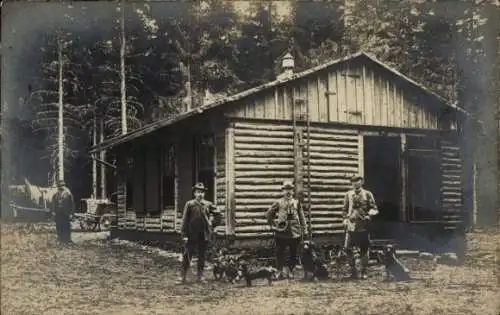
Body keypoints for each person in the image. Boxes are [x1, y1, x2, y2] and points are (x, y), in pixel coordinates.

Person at [178, 182, 221, 284]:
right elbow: (185, 220)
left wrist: (212, 223)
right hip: (192, 234)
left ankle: (200, 276)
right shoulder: (190, 204)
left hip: (203, 234)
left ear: (204, 194)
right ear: (194, 193)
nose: (200, 194)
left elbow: (219, 215)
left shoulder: (208, 204)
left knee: (202, 255)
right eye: (198, 192)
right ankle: (182, 277)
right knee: (187, 255)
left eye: (202, 192)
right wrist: (184, 234)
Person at [266, 180, 307, 280]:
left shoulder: (296, 203)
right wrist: (272, 225)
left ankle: (291, 271)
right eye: (286, 189)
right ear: (282, 191)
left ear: (293, 191)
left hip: (294, 232)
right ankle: (279, 272)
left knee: (293, 253)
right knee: (280, 252)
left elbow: (302, 217)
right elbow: (269, 214)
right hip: (281, 232)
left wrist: (304, 229)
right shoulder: (278, 202)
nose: (288, 192)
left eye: (290, 189)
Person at [342, 175, 379, 280]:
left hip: (363, 225)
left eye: (357, 181)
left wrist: (369, 215)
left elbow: (375, 208)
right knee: (347, 248)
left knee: (364, 249)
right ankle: (353, 271)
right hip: (351, 225)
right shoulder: (348, 195)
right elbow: (344, 210)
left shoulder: (367, 194)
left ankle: (363, 271)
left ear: (361, 182)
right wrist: (345, 219)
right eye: (353, 181)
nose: (355, 183)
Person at [53, 180, 75, 245]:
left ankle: (67, 240)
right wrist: (54, 211)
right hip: (58, 213)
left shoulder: (68, 193)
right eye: (59, 186)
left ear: (64, 186)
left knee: (66, 226)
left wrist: (71, 213)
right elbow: (54, 203)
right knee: (59, 226)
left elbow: (72, 204)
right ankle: (60, 239)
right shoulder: (56, 194)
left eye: (62, 186)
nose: (61, 187)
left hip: (66, 213)